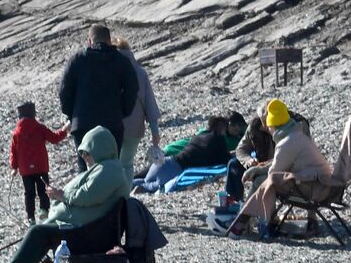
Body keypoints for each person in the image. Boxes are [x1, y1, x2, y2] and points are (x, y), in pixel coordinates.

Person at [0, 126, 127, 263]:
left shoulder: (110, 169)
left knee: (38, 232)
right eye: (82, 153)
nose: (84, 157)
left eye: (87, 152)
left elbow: (86, 196)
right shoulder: (103, 168)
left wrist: (60, 196)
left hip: (89, 234)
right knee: (39, 233)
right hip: (86, 229)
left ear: (101, 149)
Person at [212, 99, 332, 240]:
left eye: (267, 123)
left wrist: (256, 171)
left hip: (308, 185)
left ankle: (243, 221)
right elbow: (242, 150)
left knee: (264, 181)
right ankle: (239, 211)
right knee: (234, 165)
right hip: (313, 181)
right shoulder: (288, 130)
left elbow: (276, 170)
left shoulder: (289, 138)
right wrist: (250, 163)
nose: (266, 127)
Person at [58, 24, 138, 172]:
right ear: (109, 41)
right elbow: (133, 88)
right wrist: (123, 111)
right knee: (111, 167)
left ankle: (87, 194)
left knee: (85, 170)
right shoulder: (121, 61)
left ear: (89, 41)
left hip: (82, 124)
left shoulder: (77, 60)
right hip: (112, 123)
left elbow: (64, 91)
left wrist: (72, 114)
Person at [132, 114, 241, 194]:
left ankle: (126, 183)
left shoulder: (199, 136)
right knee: (154, 187)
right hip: (174, 169)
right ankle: (143, 188)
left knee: (142, 180)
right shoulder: (219, 139)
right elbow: (225, 160)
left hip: (164, 161)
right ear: (222, 128)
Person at [225, 101, 309, 203]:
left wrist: (258, 169)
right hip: (265, 163)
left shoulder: (295, 126)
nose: (264, 125)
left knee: (260, 178)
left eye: (267, 120)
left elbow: (291, 158)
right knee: (233, 164)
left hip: (290, 169)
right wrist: (248, 160)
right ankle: (233, 202)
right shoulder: (255, 126)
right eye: (263, 120)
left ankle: (248, 214)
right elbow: (241, 149)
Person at [10, 101, 69, 224]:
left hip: (25, 170)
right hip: (41, 167)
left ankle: (30, 217)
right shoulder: (40, 128)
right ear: (33, 114)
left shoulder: (17, 133)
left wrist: (14, 167)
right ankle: (44, 211)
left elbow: (13, 152)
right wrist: (64, 130)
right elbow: (54, 138)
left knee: (29, 193)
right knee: (43, 190)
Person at [112, 36, 161, 178]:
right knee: (127, 163)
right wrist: (155, 132)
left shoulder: (107, 71)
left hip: (112, 125)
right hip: (135, 127)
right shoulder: (140, 72)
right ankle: (126, 195)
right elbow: (150, 103)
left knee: (111, 162)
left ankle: (112, 195)